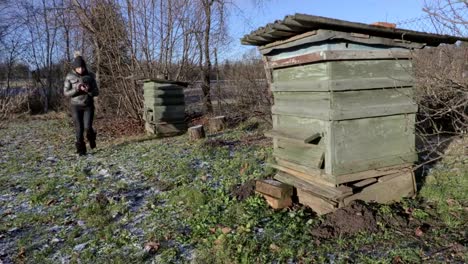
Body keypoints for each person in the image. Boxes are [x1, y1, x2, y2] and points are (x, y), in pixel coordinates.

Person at [64, 52, 99, 156]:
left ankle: (92, 139)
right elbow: (66, 93)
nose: (81, 70)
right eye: (78, 68)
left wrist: (89, 90)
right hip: (75, 106)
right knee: (79, 128)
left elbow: (97, 92)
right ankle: (81, 150)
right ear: (75, 68)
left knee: (88, 127)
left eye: (82, 67)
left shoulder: (90, 75)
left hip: (88, 105)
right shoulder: (69, 76)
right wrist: (76, 88)